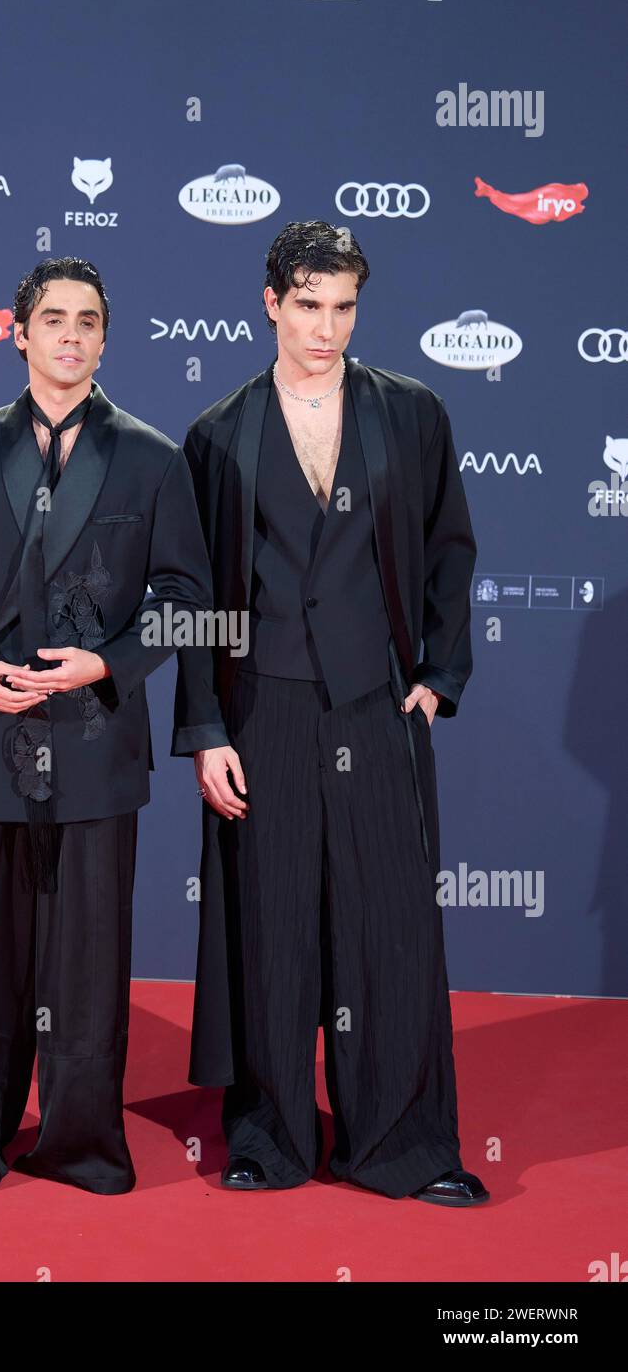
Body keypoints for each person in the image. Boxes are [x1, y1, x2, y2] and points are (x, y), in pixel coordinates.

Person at [0, 256, 214, 1195]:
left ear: (106, 339)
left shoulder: (152, 456)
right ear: (18, 332)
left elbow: (190, 599)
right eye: (53, 318)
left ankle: (78, 1143)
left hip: (98, 737)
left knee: (87, 960)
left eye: (89, 321)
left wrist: (110, 659)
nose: (71, 334)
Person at [172, 221, 489, 1206]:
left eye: (341, 306)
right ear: (269, 302)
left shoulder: (412, 414)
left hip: (374, 702)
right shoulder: (218, 433)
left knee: (390, 926)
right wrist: (206, 730)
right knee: (269, 929)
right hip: (261, 702)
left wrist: (438, 672)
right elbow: (200, 596)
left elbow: (447, 550)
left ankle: (402, 1141)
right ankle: (269, 1137)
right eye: (306, 304)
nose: (324, 326)